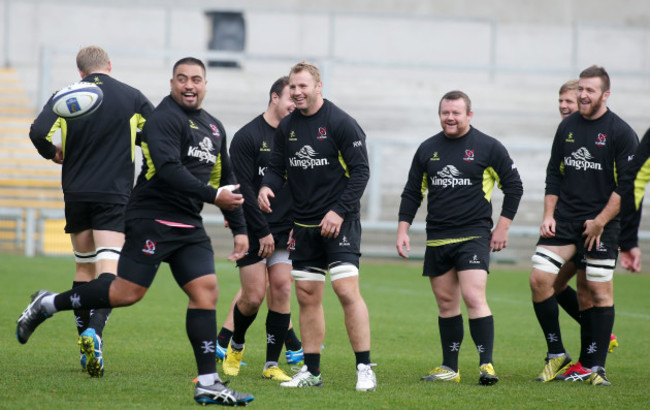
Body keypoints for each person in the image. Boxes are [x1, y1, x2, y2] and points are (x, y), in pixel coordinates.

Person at [16, 57, 254, 406]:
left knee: (206, 292)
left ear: (205, 85)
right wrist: (213, 196)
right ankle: (48, 304)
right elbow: (170, 170)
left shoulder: (215, 128)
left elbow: (226, 181)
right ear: (172, 82)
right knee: (126, 293)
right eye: (182, 79)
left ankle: (208, 383)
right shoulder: (162, 120)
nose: (190, 85)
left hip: (189, 225)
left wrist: (240, 228)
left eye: (196, 79)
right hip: (151, 218)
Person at [28, 45, 154, 377]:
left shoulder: (64, 96)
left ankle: (84, 349)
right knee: (109, 273)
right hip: (113, 193)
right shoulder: (131, 96)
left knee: (83, 270)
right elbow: (157, 132)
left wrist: (52, 151)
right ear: (109, 66)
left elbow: (37, 132)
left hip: (76, 192)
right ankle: (94, 332)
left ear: (80, 72)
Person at [258, 61, 376, 391]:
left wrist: (338, 211)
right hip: (304, 225)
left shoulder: (340, 123)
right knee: (308, 295)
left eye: (303, 86)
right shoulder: (287, 127)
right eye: (292, 87)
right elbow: (277, 167)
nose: (296, 92)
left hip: (340, 223)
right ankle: (312, 371)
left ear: (318, 86)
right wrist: (267, 186)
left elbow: (361, 172)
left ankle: (365, 368)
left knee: (345, 290)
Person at [396, 90, 523, 386]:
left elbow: (514, 187)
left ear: (469, 115)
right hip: (438, 238)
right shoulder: (428, 149)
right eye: (445, 113)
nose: (450, 118)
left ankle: (486, 364)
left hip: (474, 235)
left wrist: (502, 227)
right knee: (445, 303)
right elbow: (413, 192)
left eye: (456, 113)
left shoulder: (488, 147)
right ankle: (450, 367)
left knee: (474, 296)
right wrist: (403, 229)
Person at [529, 65, 638, 386]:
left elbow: (627, 187)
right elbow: (554, 173)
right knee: (540, 279)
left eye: (589, 91)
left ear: (605, 95)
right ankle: (557, 353)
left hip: (602, 225)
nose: (582, 96)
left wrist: (602, 222)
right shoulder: (567, 128)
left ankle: (593, 366)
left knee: (597, 292)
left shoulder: (620, 132)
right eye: (581, 90)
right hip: (565, 221)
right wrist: (549, 215)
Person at [220, 76, 303, 381]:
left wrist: (298, 226)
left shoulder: (297, 136)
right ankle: (236, 345)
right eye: (290, 99)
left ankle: (271, 365)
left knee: (281, 289)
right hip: (254, 228)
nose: (295, 104)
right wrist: (261, 232)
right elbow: (243, 191)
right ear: (274, 98)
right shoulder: (247, 137)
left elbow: (301, 186)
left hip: (286, 229)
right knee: (253, 296)